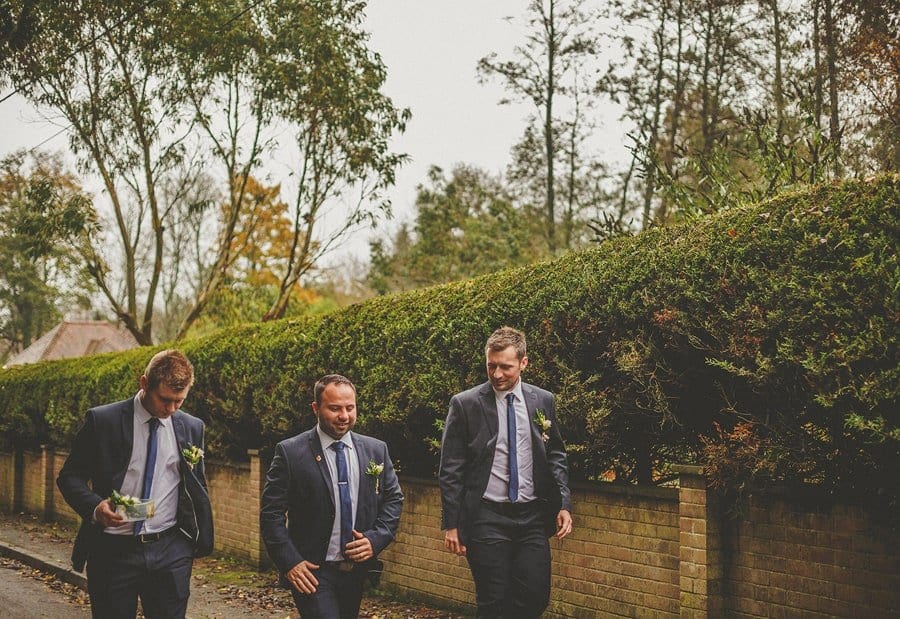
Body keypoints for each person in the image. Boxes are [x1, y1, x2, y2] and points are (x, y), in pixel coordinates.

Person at [57, 349, 214, 619]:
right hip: (113, 551)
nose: (172, 409)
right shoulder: (103, 421)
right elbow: (69, 476)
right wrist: (96, 507)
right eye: (165, 400)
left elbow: (194, 485)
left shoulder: (192, 427)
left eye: (180, 401)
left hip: (170, 549)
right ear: (144, 384)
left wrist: (189, 543)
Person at [439, 326, 573, 618]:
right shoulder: (465, 404)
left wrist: (563, 503)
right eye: (491, 365)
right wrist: (452, 523)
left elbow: (556, 455)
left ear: (524, 363)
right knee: (493, 600)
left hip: (532, 517)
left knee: (536, 597)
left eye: (506, 367)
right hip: (487, 516)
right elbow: (450, 468)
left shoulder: (543, 401)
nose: (497, 374)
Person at [260, 374, 403, 618]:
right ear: (316, 408)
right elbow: (271, 514)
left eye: (350, 408)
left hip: (356, 571)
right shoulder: (290, 452)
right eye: (335, 408)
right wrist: (290, 562)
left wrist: (375, 539)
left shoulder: (376, 450)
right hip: (313, 572)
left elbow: (393, 499)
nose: (344, 416)